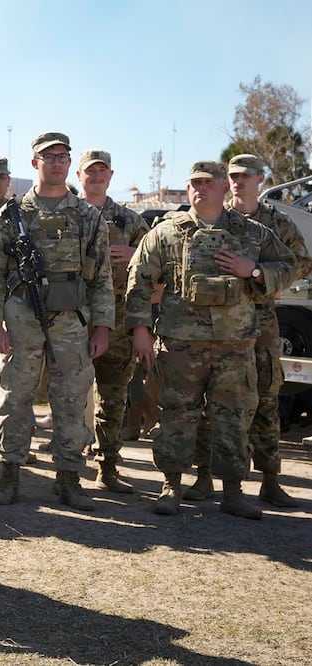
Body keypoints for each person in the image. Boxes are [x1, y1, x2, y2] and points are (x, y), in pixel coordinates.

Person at [125, 161, 295, 519]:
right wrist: (141, 329)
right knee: (176, 415)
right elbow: (139, 280)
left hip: (236, 345)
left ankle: (233, 492)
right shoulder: (167, 233)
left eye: (209, 182)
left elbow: (291, 263)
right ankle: (171, 486)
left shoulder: (252, 232)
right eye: (195, 183)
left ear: (222, 188)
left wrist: (256, 271)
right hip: (181, 345)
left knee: (233, 418)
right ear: (188, 189)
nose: (201, 189)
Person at [0, 132, 115, 511]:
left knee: (71, 397)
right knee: (15, 395)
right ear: (34, 162)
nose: (55, 162)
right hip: (20, 313)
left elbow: (102, 276)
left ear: (69, 163)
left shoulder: (87, 216)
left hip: (71, 316)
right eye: (47, 156)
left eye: (62, 156)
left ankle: (69, 478)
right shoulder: (10, 215)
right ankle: (9, 474)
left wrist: (102, 326)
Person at [183, 154, 312, 507]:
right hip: (220, 323)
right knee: (214, 400)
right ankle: (204, 477)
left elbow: (300, 262)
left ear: (261, 178)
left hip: (262, 319)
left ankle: (270, 479)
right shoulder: (218, 217)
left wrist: (262, 274)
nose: (239, 181)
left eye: (246, 175)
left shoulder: (276, 222)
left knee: (266, 396)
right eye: (234, 176)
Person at [75, 149, 150, 493]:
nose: (96, 176)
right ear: (80, 175)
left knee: (113, 397)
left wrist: (136, 256)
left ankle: (108, 466)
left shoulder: (130, 221)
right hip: (72, 320)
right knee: (69, 396)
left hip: (118, 323)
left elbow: (155, 271)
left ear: (111, 175)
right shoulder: (67, 214)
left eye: (102, 171)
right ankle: (69, 469)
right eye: (90, 171)